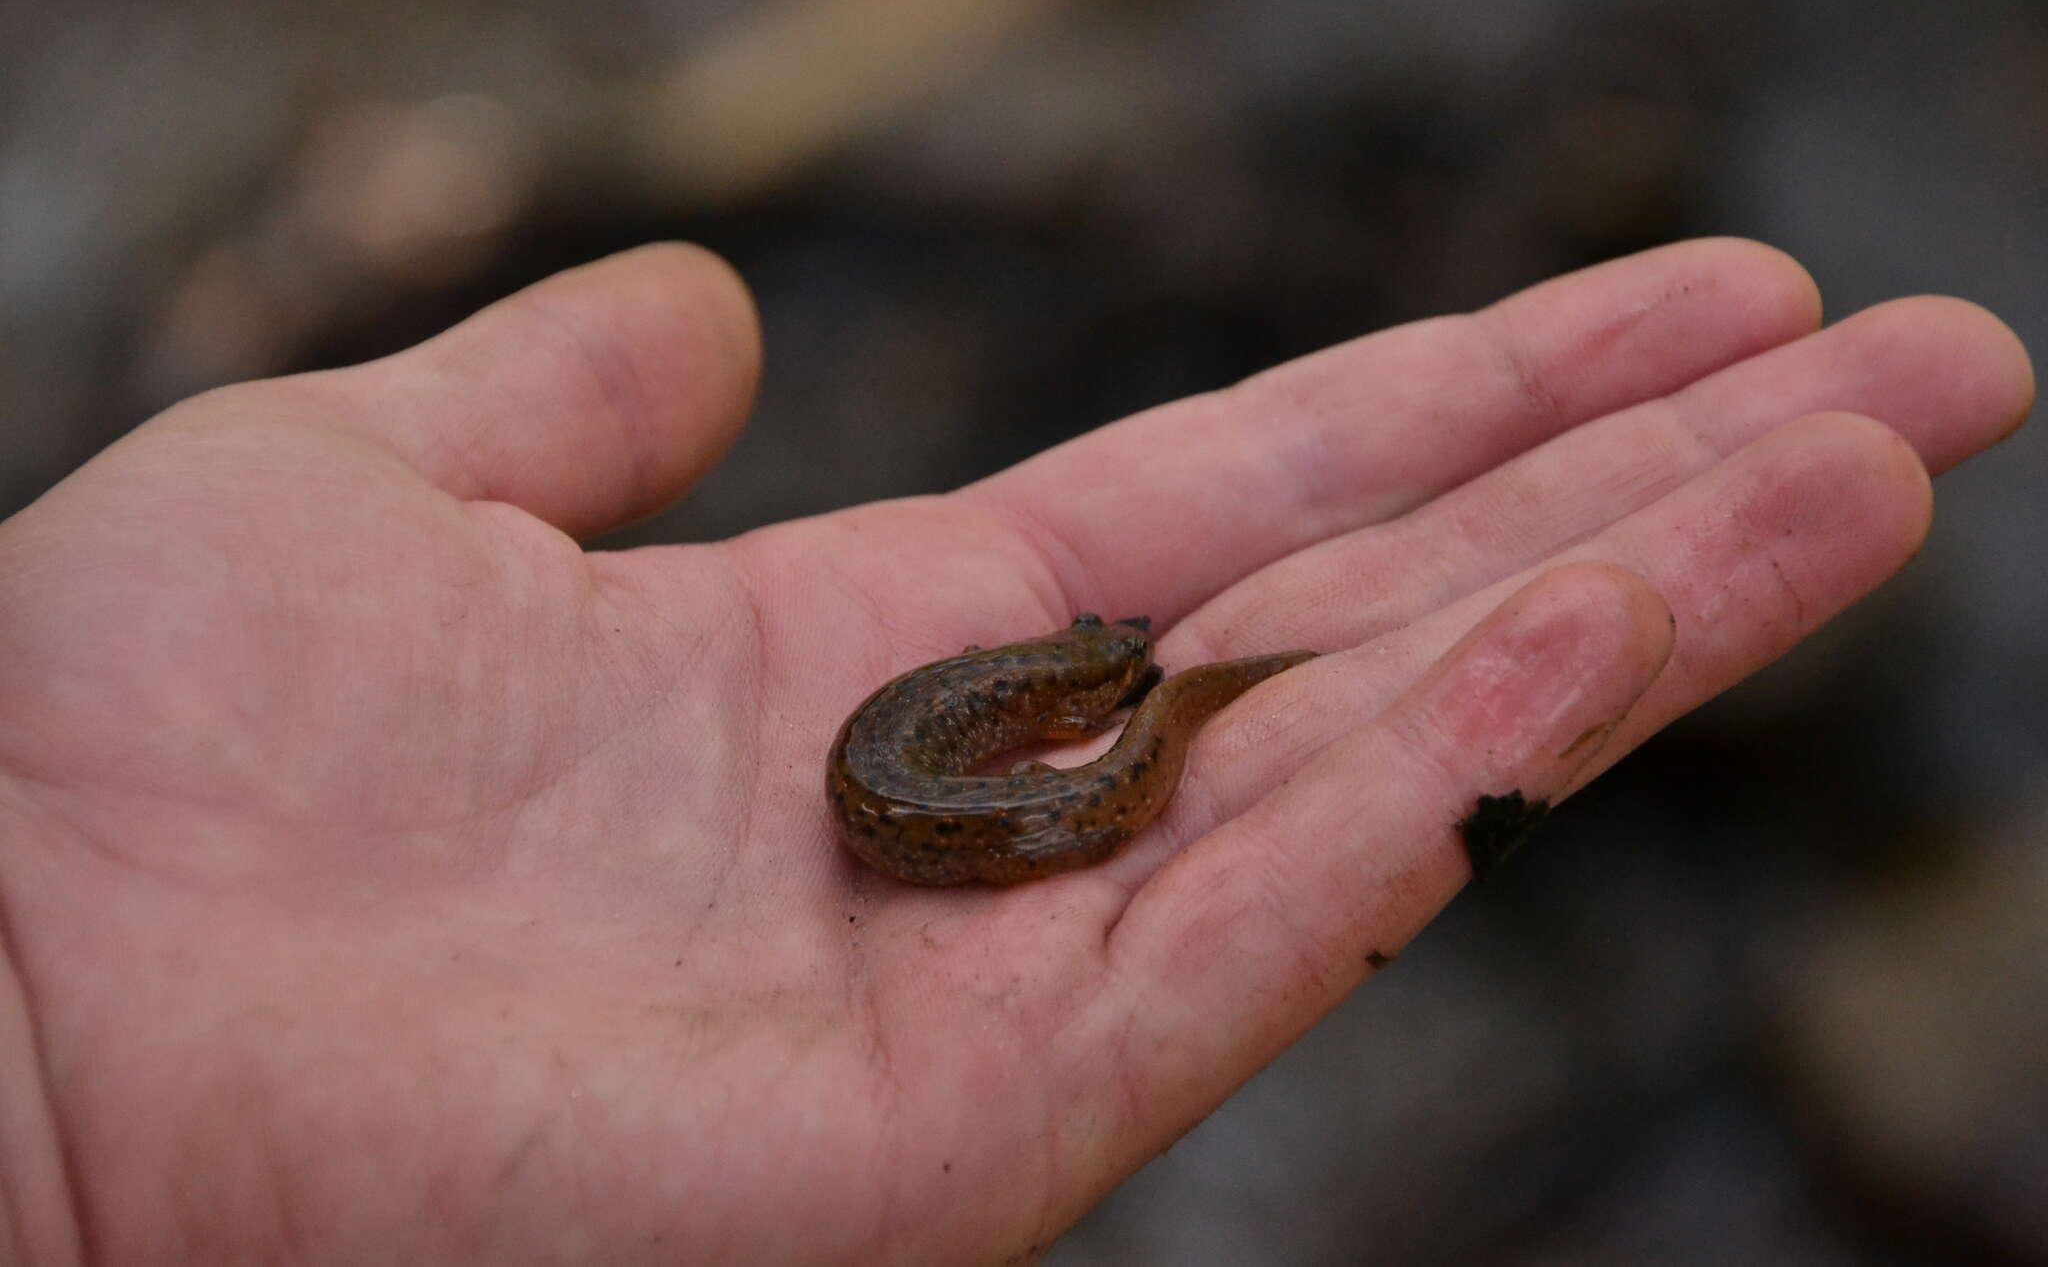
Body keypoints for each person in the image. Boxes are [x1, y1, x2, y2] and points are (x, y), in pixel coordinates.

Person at [0, 238, 2030, 1264]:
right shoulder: (989, 746)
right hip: (947, 795)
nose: (1116, 668)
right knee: (1020, 779)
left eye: (1119, 674)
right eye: (1115, 667)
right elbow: (997, 735)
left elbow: (1053, 704)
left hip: (975, 777)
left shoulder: (1027, 712)